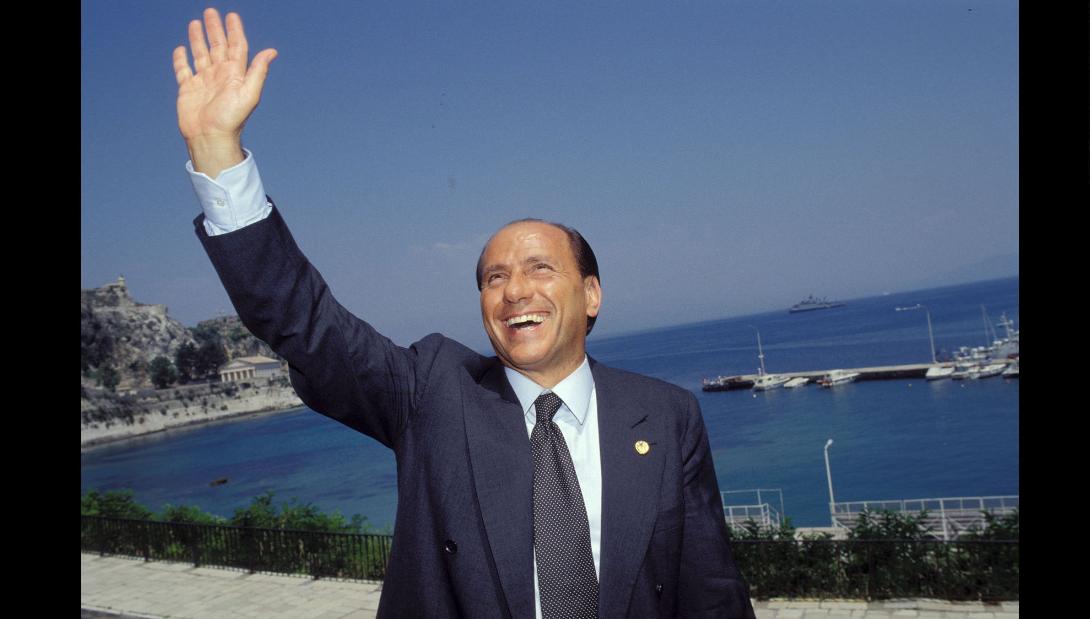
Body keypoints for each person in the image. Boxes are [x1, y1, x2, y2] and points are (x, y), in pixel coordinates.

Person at [174, 8, 756, 618]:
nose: (514, 291)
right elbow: (305, 322)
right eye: (493, 277)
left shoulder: (666, 415)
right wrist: (218, 151)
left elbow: (709, 587)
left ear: (591, 294)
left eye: (540, 268)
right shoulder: (432, 393)